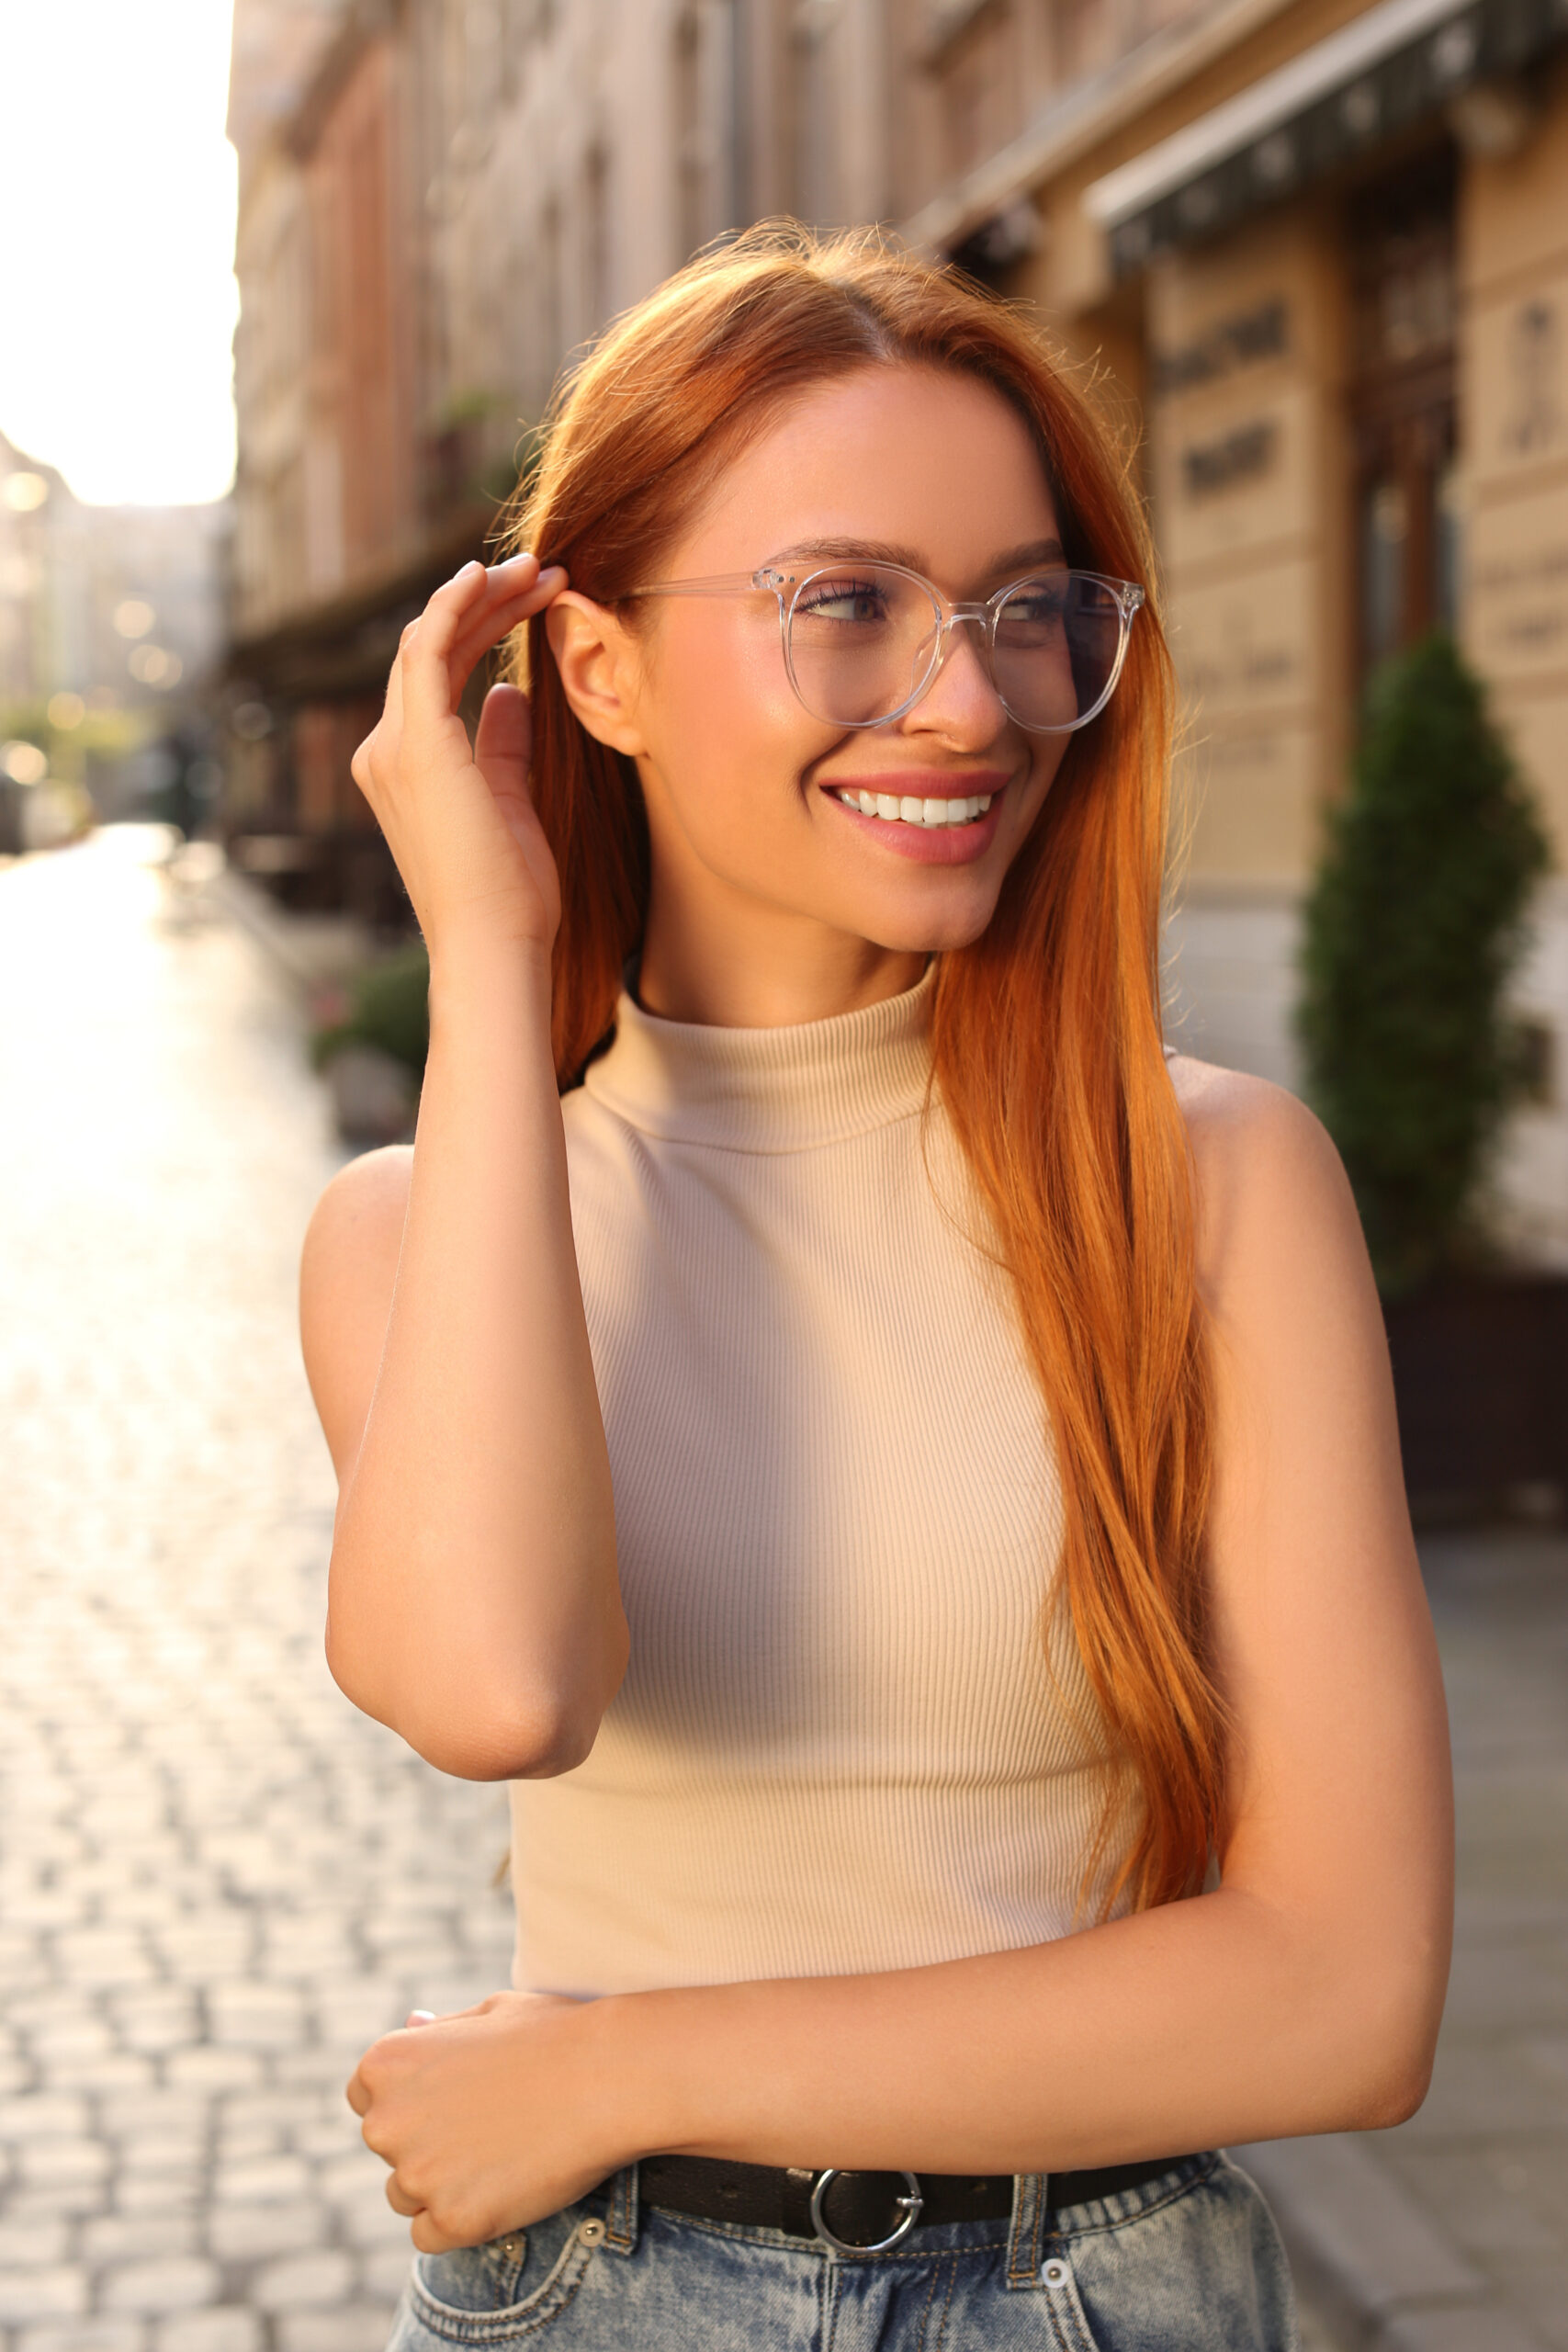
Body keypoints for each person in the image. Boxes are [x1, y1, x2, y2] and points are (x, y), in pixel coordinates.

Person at [299, 228, 1452, 2352]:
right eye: (846, 603)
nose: (970, 697)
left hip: (1094, 2294)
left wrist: (625, 2066)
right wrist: (481, 951)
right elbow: (491, 1686)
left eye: (1026, 610)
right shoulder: (424, 1223)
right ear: (599, 667)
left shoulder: (1202, 1181)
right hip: (592, 2302)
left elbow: (1339, 1992)